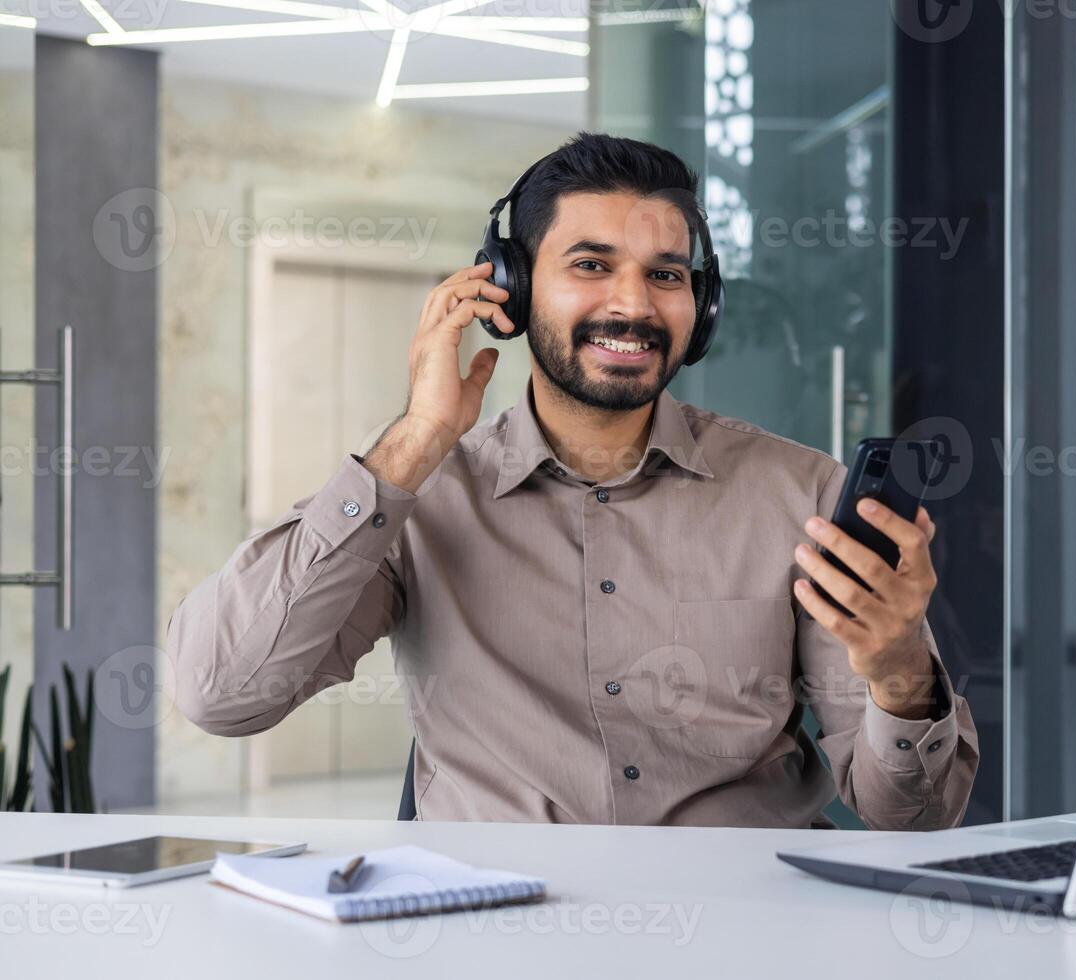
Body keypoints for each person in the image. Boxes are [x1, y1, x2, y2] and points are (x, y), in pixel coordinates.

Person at [167, 132, 978, 829]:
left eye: (666, 275)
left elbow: (912, 815)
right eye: (591, 264)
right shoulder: (419, 499)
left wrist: (899, 668)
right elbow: (223, 693)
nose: (633, 304)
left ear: (704, 305)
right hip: (490, 929)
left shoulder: (799, 494)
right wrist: (413, 441)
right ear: (506, 289)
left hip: (739, 930)